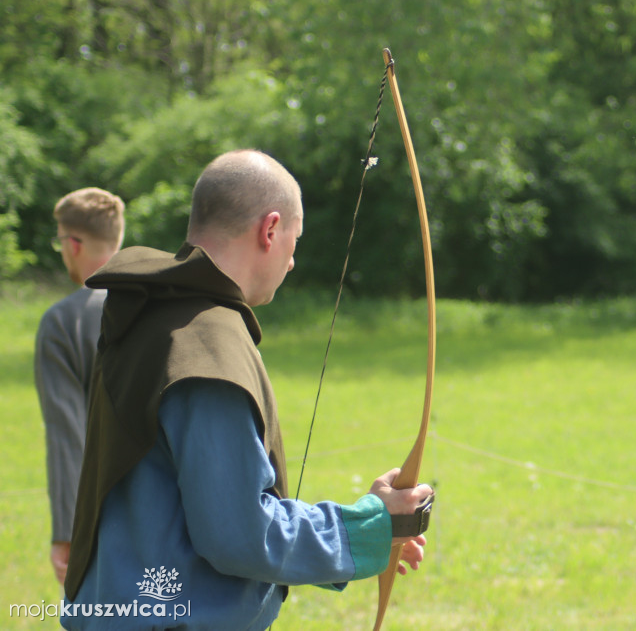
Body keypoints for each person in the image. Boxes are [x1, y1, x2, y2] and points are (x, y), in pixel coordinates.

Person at [62, 150, 433, 630]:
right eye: (294, 242)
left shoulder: (154, 314)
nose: (294, 261)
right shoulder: (205, 345)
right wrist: (368, 526)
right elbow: (238, 533)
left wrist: (368, 527)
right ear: (270, 229)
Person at [35, 187, 125, 586]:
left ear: (72, 244)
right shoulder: (168, 306)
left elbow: (66, 434)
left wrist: (67, 534)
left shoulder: (62, 324)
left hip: (105, 518)